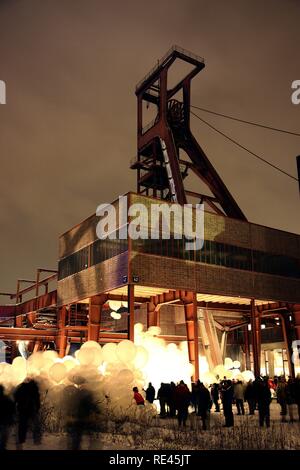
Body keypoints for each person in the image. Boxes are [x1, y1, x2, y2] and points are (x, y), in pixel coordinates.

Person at [14, 378, 41, 448]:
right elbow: (37, 400)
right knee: (36, 424)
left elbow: (16, 398)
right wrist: (37, 408)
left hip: (23, 410)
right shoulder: (34, 388)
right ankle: (36, 440)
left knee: (22, 425)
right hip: (30, 410)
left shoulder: (21, 388)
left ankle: (21, 440)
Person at [0, 385, 15, 450]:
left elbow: (12, 410)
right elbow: (13, 410)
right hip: (5, 421)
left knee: (4, 437)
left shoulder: (7, 399)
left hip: (4, 421)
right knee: (4, 437)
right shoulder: (7, 399)